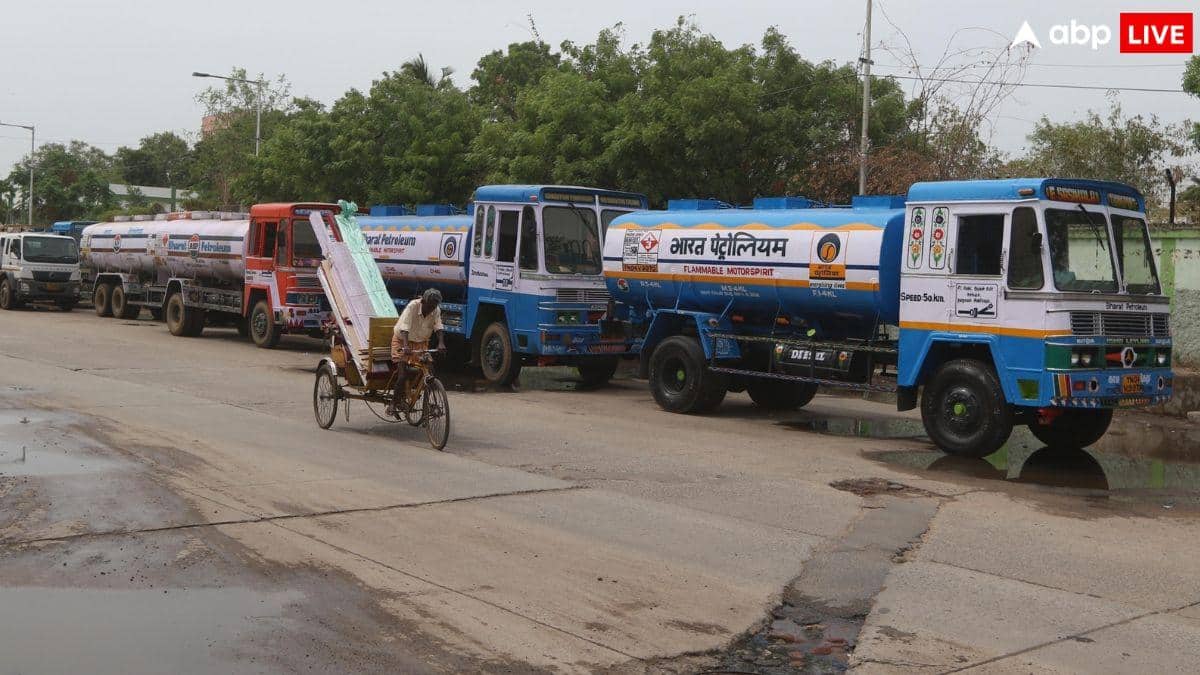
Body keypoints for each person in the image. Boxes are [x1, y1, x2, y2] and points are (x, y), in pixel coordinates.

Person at [390, 288, 446, 415]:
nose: (432, 308)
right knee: (403, 374)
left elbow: (438, 327)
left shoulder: (436, 310)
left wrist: (441, 342)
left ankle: (427, 404)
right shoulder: (413, 306)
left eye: (435, 305)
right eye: (430, 305)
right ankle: (394, 403)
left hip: (421, 343)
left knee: (430, 371)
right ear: (424, 301)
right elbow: (405, 327)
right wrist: (405, 346)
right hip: (402, 341)